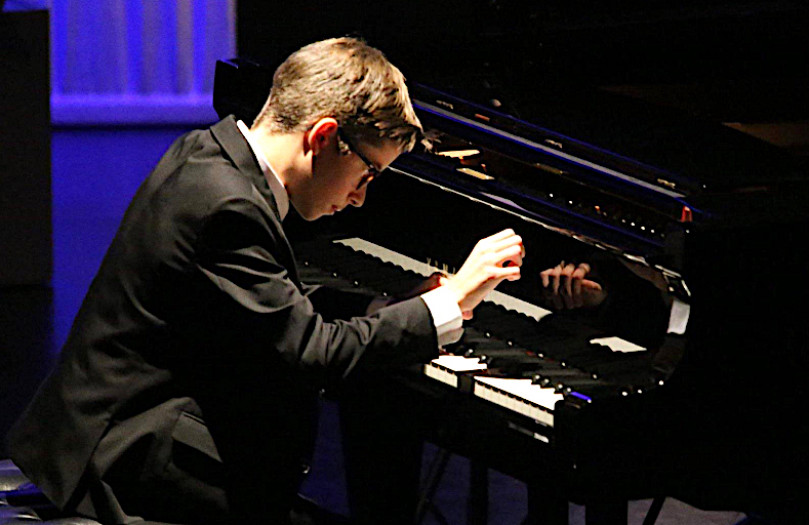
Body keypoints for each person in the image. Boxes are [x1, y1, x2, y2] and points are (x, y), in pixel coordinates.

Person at [7, 37, 525, 524]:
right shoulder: (228, 206)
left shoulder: (208, 153)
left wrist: (393, 307)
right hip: (129, 462)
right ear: (323, 136)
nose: (362, 197)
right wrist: (447, 304)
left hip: (117, 434)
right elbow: (311, 355)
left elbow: (273, 308)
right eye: (367, 173)